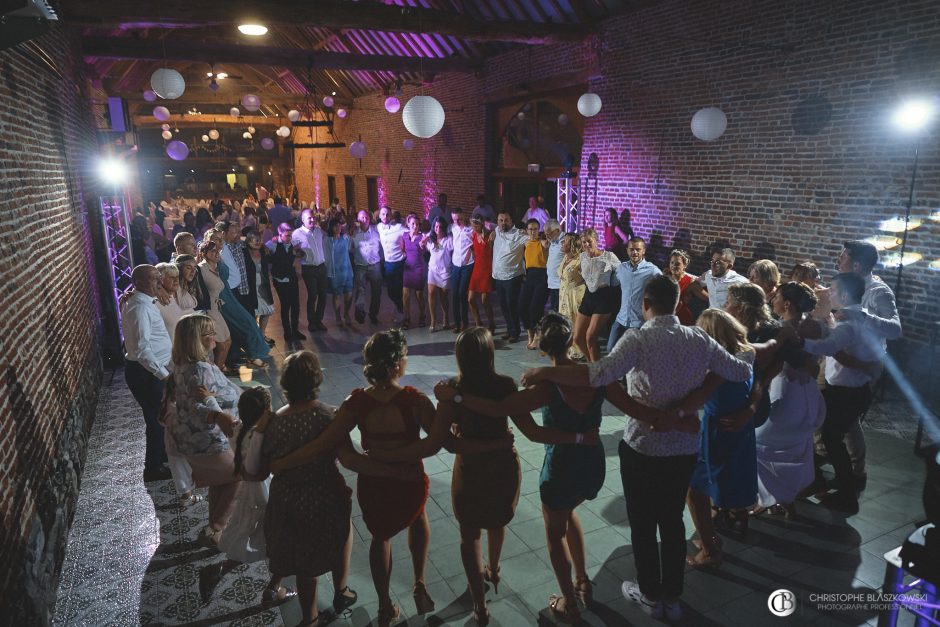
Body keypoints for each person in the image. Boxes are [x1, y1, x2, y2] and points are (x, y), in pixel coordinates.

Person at [521, 276, 753, 622]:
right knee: (673, 521)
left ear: (645, 303)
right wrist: (697, 397)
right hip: (682, 447)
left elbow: (598, 374)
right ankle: (672, 598)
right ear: (676, 303)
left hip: (642, 446)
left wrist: (546, 372)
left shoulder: (638, 338)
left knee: (644, 524)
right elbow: (741, 367)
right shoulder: (699, 338)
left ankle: (649, 594)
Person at [435, 317, 674, 622]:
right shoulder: (597, 377)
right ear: (571, 340)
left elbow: (513, 420)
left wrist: (456, 396)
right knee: (570, 512)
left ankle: (569, 603)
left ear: (544, 349)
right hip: (592, 462)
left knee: (554, 531)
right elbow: (636, 410)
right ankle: (584, 580)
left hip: (561, 467)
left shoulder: (546, 388)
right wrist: (676, 417)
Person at [379, 324, 602, 625]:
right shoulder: (505, 385)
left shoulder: (453, 389)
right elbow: (530, 430)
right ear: (489, 355)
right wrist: (499, 442)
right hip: (502, 467)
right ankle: (494, 569)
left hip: (470, 470)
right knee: (498, 521)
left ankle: (480, 607)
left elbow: (443, 442)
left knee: (469, 536)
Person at [270, 332, 437, 627]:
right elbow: (438, 440)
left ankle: (385, 607)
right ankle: (420, 582)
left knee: (380, 538)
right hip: (410, 480)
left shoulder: (356, 404)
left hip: (375, 485)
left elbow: (328, 449)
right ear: (399, 363)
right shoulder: (416, 401)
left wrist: (281, 463)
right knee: (419, 516)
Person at [198, 387, 297, 608]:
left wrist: (209, 399)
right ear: (265, 412)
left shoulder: (237, 430)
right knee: (284, 541)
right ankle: (272, 589)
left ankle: (217, 571)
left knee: (265, 539)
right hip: (268, 494)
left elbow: (222, 417)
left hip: (251, 494)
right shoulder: (261, 437)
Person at [800, 272, 885, 513]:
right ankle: (836, 483)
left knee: (830, 439)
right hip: (854, 391)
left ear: (845, 295)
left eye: (833, 290)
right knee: (830, 438)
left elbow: (828, 346)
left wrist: (795, 340)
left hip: (845, 393)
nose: (828, 293)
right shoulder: (861, 318)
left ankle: (847, 494)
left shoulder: (849, 323)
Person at [686, 309, 756, 568]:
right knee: (726, 478)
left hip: (718, 429)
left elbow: (698, 396)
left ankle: (709, 548)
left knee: (694, 490)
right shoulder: (747, 353)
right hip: (738, 429)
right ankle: (716, 528)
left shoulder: (717, 368)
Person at [170, 314, 243, 545]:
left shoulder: (184, 364)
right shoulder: (200, 368)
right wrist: (217, 414)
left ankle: (214, 528)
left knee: (221, 480)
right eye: (208, 333)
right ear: (194, 339)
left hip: (194, 438)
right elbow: (195, 404)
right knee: (240, 475)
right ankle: (216, 528)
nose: (214, 337)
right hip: (207, 439)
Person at [754, 282, 825, 515]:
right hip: (809, 394)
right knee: (796, 446)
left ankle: (768, 497)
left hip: (784, 392)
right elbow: (816, 364)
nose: (771, 300)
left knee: (760, 444)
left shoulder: (781, 329)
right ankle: (786, 497)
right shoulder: (817, 326)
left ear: (787, 304)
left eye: (776, 297)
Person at [122, 265, 172, 482]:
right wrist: (163, 374)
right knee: (156, 420)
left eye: (159, 277)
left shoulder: (143, 302)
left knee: (158, 417)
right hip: (145, 373)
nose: (159, 282)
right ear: (140, 283)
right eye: (154, 279)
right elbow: (142, 349)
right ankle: (153, 468)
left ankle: (161, 457)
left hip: (149, 371)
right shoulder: (140, 308)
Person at [203, 230, 270, 370]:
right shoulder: (206, 257)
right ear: (207, 240)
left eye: (221, 240)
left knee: (244, 324)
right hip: (219, 298)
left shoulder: (218, 254)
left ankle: (245, 356)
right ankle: (246, 357)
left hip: (227, 293)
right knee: (244, 324)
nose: (219, 243)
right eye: (215, 239)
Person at [608, 237, 662, 353]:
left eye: (638, 249)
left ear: (643, 251)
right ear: (627, 250)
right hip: (620, 320)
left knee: (633, 356)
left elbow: (665, 286)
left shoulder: (652, 270)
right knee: (610, 350)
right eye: (631, 249)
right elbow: (612, 282)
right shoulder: (622, 268)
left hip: (639, 323)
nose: (634, 252)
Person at [573, 229, 620, 362]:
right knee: (577, 338)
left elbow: (622, 272)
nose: (587, 244)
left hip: (603, 298)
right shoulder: (582, 257)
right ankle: (593, 365)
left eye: (589, 241)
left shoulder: (609, 256)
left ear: (596, 241)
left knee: (590, 337)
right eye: (584, 242)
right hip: (588, 297)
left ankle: (597, 372)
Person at [489, 211, 527, 343]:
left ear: (511, 221)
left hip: (512, 276)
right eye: (500, 220)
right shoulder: (497, 231)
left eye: (506, 220)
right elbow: (484, 224)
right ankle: (509, 328)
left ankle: (515, 332)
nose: (503, 223)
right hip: (498, 276)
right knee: (503, 305)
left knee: (512, 305)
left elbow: (533, 240)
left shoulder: (519, 234)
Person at [195, 240, 233, 370]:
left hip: (216, 309)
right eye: (213, 251)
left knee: (228, 341)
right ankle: (216, 375)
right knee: (221, 344)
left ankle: (219, 371)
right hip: (209, 311)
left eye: (218, 250)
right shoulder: (201, 269)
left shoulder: (216, 267)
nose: (217, 253)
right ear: (204, 254)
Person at [266, 223, 304, 342]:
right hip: (280, 279)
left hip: (291, 278)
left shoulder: (293, 243)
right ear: (280, 234)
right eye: (287, 235)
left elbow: (300, 253)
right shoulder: (273, 243)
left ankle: (295, 330)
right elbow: (264, 253)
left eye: (290, 235)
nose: (289, 238)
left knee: (296, 305)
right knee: (286, 305)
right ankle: (287, 333)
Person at [292, 209, 329, 333]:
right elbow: (291, 249)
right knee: (313, 294)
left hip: (321, 267)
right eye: (309, 218)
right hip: (309, 268)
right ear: (303, 220)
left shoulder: (319, 231)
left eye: (313, 217)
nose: (312, 219)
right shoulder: (297, 233)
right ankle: (311, 322)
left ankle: (319, 320)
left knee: (323, 295)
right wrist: (297, 252)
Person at [519, 219, 550, 349]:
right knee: (521, 307)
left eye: (535, 229)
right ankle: (530, 333)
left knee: (535, 308)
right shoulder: (526, 243)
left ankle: (538, 336)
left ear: (539, 230)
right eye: (530, 229)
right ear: (527, 230)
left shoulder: (541, 242)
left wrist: (545, 240)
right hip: (530, 276)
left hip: (542, 277)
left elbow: (547, 245)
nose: (533, 231)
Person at [377, 206, 408, 325]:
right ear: (379, 216)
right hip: (388, 264)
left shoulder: (398, 227)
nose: (385, 216)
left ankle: (402, 312)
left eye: (387, 214)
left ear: (391, 216)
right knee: (390, 291)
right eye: (383, 214)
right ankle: (398, 306)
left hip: (400, 263)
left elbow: (410, 232)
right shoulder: (378, 227)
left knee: (399, 289)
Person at [557, 233, 586, 360]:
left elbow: (588, 278)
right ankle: (568, 348)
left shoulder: (580, 260)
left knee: (575, 323)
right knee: (565, 323)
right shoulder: (565, 257)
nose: (562, 243)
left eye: (565, 241)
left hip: (575, 296)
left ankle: (578, 351)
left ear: (573, 244)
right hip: (563, 295)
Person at [351, 210, 383, 324]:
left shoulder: (376, 232)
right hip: (360, 267)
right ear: (357, 220)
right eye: (361, 218)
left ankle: (373, 314)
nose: (363, 220)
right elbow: (349, 249)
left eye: (365, 217)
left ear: (369, 219)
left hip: (375, 266)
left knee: (377, 292)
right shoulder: (354, 234)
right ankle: (359, 313)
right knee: (360, 291)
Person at [245, 231, 276, 346]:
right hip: (250, 286)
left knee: (267, 310)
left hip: (263, 285)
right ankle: (255, 338)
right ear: (248, 241)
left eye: (259, 239)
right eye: (255, 239)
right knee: (254, 312)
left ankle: (262, 334)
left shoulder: (263, 251)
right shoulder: (244, 252)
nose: (258, 242)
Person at [450, 207, 476, 333]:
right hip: (455, 264)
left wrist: (469, 254)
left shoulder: (470, 230)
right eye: (454, 220)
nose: (457, 222)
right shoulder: (452, 228)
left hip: (467, 264)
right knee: (454, 294)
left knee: (462, 293)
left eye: (459, 219)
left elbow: (473, 244)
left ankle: (465, 322)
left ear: (464, 217)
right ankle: (457, 322)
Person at [325, 217, 354, 328]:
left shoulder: (345, 238)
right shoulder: (327, 241)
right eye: (335, 225)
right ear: (331, 227)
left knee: (349, 295)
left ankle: (346, 313)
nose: (338, 228)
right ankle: (338, 317)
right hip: (335, 272)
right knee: (336, 295)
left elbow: (353, 242)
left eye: (339, 225)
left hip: (346, 270)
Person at [425, 216, 453, 331]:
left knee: (443, 296)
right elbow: (426, 248)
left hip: (445, 271)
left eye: (440, 226)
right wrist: (425, 240)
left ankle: (445, 317)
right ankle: (433, 320)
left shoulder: (448, 240)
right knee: (431, 293)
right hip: (432, 269)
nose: (438, 228)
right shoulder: (430, 239)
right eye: (436, 226)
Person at [467, 216, 495, 332]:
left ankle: (491, 323)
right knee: (470, 299)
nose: (474, 227)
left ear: (482, 224)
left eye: (476, 225)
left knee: (485, 300)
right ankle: (478, 323)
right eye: (473, 225)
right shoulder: (473, 235)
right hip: (477, 269)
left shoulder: (489, 236)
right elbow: (474, 251)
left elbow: (492, 250)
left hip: (487, 270)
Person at [401, 213, 428, 329]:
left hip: (418, 269)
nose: (415, 226)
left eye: (417, 224)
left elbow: (424, 247)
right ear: (408, 224)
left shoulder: (422, 237)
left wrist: (423, 245)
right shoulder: (404, 235)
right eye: (412, 223)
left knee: (419, 295)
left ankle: (422, 315)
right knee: (405, 295)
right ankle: (406, 318)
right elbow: (402, 249)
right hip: (408, 269)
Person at [154, 262, 194, 339]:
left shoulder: (179, 292)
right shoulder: (156, 301)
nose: (176, 280)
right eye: (171, 277)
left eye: (177, 277)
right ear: (160, 280)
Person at [666, 250, 696, 325]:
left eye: (677, 264)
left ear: (685, 265)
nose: (673, 266)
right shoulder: (665, 279)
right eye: (672, 263)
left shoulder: (690, 281)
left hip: (683, 318)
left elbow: (708, 298)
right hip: (667, 317)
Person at [544, 220, 564, 312]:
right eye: (545, 234)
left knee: (559, 313)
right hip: (553, 284)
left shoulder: (565, 241)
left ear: (556, 231)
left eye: (548, 234)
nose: (547, 236)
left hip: (561, 285)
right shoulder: (553, 240)